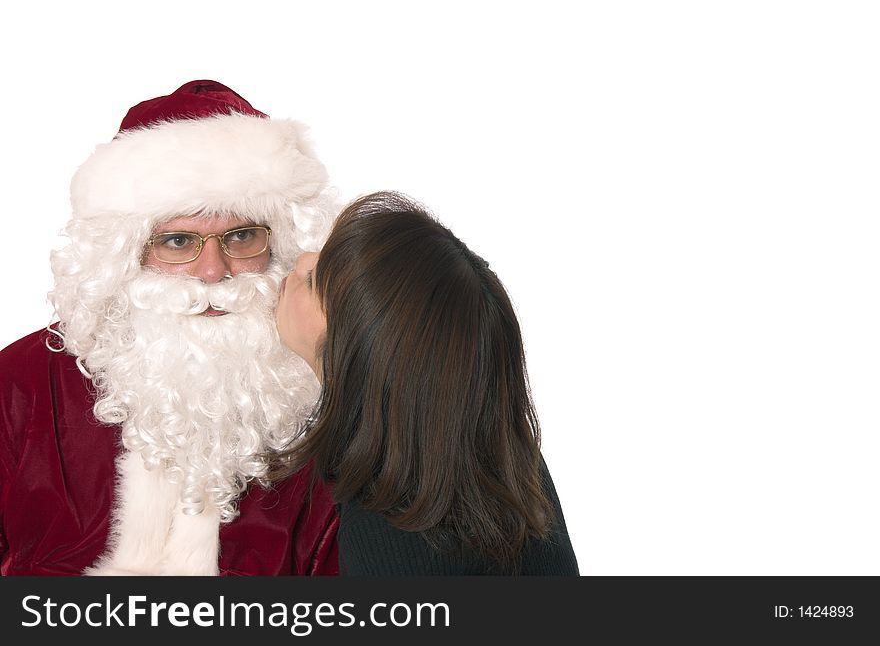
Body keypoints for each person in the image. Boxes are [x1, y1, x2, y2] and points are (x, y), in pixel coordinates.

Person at [0, 80, 341, 575]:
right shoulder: (21, 383)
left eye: (242, 236)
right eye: (178, 242)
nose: (212, 271)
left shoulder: (329, 387)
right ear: (124, 255)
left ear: (281, 244)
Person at [273, 191, 580, 575]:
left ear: (355, 351)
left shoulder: (386, 539)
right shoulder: (506, 463)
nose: (301, 260)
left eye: (315, 280)